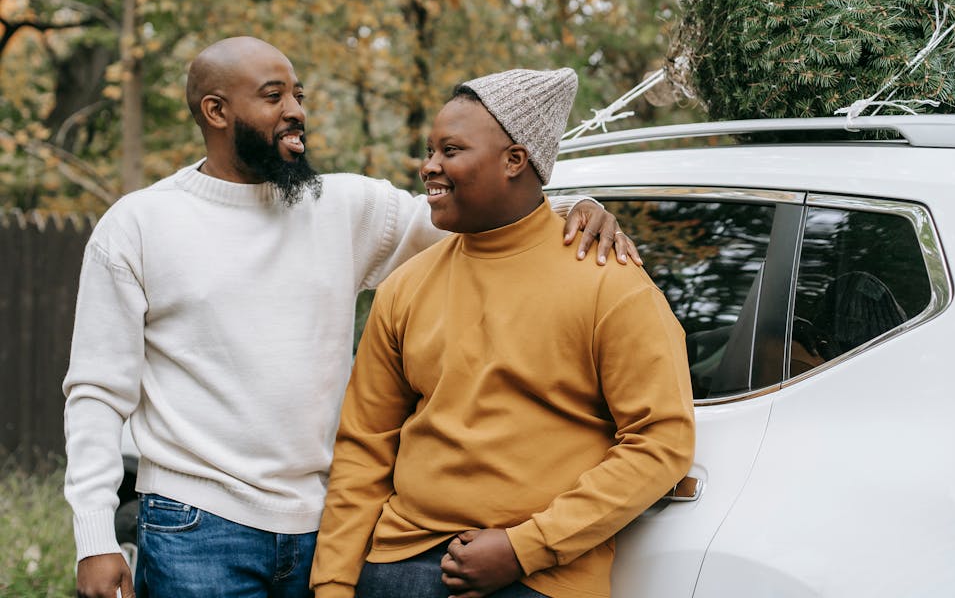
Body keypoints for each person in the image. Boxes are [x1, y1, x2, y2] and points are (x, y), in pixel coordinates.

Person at [63, 37, 640, 598]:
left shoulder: (342, 205)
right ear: (216, 111)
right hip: (198, 526)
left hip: (327, 526)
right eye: (273, 97)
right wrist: (95, 536)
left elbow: (482, 216)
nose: (296, 112)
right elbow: (96, 391)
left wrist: (574, 209)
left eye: (299, 95)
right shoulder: (139, 225)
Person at [310, 68, 695, 598]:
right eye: (430, 150)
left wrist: (524, 549)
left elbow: (662, 442)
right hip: (394, 567)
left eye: (451, 150)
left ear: (515, 160)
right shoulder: (405, 287)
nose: (429, 167)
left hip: (536, 578)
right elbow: (365, 446)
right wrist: (333, 583)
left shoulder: (610, 283)